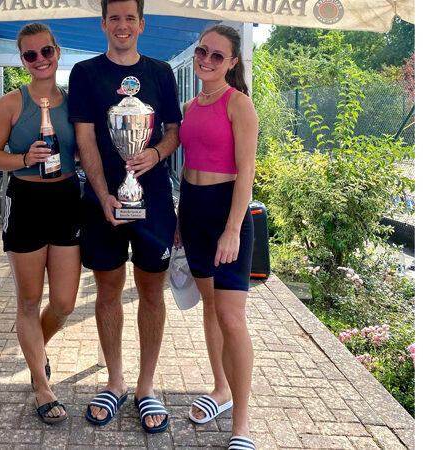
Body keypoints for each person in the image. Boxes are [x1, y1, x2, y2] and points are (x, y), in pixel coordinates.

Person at [68, 0, 182, 434]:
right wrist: (103, 196)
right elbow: (84, 138)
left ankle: (146, 386)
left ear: (141, 24)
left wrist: (154, 152)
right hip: (103, 205)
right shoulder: (85, 73)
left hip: (151, 199)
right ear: (102, 23)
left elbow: (173, 131)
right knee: (108, 289)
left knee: (152, 292)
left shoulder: (161, 73)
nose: (122, 25)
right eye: (114, 18)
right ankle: (114, 382)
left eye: (129, 18)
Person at [0, 23, 81, 425]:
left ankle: (36, 349)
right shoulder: (10, 103)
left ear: (57, 53)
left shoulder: (74, 103)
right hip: (26, 200)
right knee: (28, 300)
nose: (40, 60)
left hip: (67, 199)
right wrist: (24, 159)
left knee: (63, 303)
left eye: (46, 52)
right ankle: (41, 385)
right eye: (30, 55)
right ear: (22, 60)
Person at [177, 24, 259, 450]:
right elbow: (188, 165)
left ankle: (241, 425)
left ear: (232, 62)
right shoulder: (190, 105)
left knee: (231, 317)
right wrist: (178, 217)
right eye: (202, 52)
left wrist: (232, 229)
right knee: (209, 307)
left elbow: (246, 172)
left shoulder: (239, 104)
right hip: (191, 212)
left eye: (217, 55)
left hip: (226, 214)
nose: (206, 60)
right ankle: (220, 390)